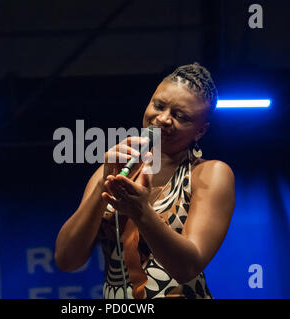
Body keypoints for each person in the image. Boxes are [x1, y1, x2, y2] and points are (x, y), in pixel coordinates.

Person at [55, 63, 235, 299]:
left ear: (200, 131)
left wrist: (142, 212)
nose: (163, 119)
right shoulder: (111, 170)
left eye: (181, 116)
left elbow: (187, 268)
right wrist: (103, 183)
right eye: (158, 106)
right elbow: (66, 260)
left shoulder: (210, 173)